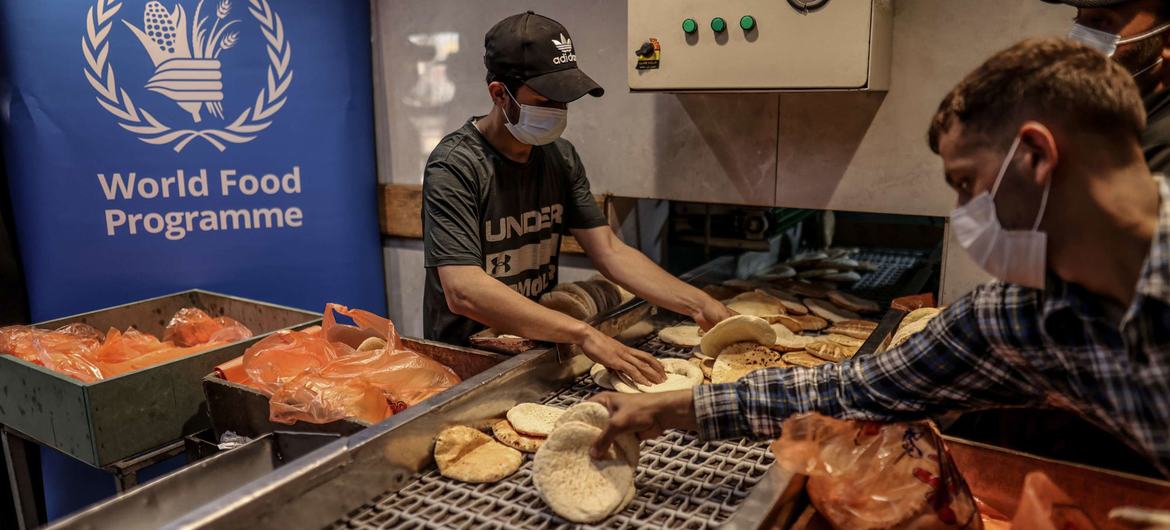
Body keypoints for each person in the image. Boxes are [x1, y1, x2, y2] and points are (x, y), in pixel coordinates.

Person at [590, 37, 1170, 478]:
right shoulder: (1029, 316)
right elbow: (857, 388)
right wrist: (671, 408)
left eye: (966, 182)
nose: (966, 210)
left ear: (1038, 157)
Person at [422, 11, 734, 385]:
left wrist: (698, 304)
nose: (557, 112)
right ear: (499, 94)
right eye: (544, 100)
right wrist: (583, 333)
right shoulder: (455, 166)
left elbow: (610, 252)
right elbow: (464, 291)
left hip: (534, 345)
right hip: (467, 362)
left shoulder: (560, 157)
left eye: (564, 101)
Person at [1048, 0, 1170, 172]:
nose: (1075, 42)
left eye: (1100, 21)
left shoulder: (1158, 152)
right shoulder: (1113, 118)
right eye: (1078, 17)